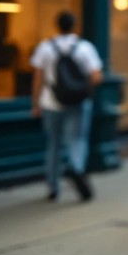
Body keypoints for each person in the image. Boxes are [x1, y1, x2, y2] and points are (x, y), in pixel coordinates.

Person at [30, 11, 102, 202]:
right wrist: (80, 89)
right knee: (76, 141)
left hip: (50, 103)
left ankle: (53, 188)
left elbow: (38, 78)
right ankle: (77, 170)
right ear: (74, 26)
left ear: (57, 25)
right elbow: (96, 77)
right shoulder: (85, 48)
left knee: (53, 144)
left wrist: (35, 103)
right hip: (78, 103)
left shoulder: (45, 48)